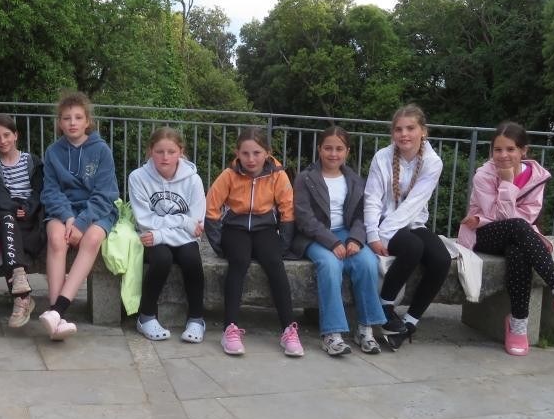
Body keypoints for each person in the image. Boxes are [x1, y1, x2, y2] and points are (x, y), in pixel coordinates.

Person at [458, 121, 554, 356]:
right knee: (517, 226)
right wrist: (506, 182)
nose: (503, 155)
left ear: (523, 151)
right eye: (497, 149)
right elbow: (498, 217)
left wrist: (506, 209)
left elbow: (528, 216)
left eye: (510, 149)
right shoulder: (484, 175)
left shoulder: (537, 177)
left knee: (519, 251)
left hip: (518, 235)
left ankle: (518, 323)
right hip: (482, 235)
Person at [205, 127, 304, 357]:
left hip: (265, 228)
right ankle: (230, 328)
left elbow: (287, 208)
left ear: (267, 153)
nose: (251, 159)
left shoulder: (278, 175)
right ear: (237, 153)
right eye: (245, 153)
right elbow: (211, 207)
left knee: (274, 262)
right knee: (239, 261)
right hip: (235, 228)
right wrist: (218, 244)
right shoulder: (229, 175)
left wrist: (283, 244)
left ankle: (289, 329)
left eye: (257, 153)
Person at [293, 126, 386, 356]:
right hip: (315, 235)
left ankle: (365, 329)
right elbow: (304, 218)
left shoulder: (354, 179)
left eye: (339, 149)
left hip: (346, 232)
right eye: (328, 148)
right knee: (330, 264)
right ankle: (332, 333)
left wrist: (356, 239)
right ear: (319, 149)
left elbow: (361, 215)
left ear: (347, 151)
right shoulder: (305, 178)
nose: (333, 154)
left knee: (367, 262)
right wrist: (332, 242)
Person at [364, 103, 451, 349]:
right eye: (398, 129)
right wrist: (374, 235)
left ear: (423, 131)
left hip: (412, 221)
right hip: (383, 221)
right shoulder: (382, 157)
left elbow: (414, 204)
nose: (404, 134)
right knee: (413, 247)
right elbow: (371, 198)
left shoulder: (432, 162)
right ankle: (384, 307)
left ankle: (410, 322)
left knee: (441, 259)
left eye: (410, 128)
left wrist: (386, 233)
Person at [39, 91, 119, 340]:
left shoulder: (101, 150)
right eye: (66, 118)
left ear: (87, 121)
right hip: (63, 210)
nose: (72, 122)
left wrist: (82, 222)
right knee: (56, 238)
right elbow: (50, 191)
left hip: (97, 210)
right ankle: (57, 317)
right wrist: (68, 217)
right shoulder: (53, 152)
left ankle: (57, 310)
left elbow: (105, 194)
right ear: (60, 123)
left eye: (78, 117)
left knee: (92, 239)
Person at [128, 127, 207, 343]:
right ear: (150, 151)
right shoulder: (138, 177)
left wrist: (161, 235)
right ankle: (146, 317)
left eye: (171, 152)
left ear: (181, 151)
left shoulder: (193, 180)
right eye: (159, 151)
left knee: (192, 259)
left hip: (165, 237)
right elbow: (145, 221)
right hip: (152, 235)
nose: (165, 157)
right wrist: (183, 221)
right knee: (162, 259)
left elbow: (196, 223)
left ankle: (196, 319)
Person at [0, 114, 46, 329]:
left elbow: (39, 190)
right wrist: (13, 208)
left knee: (7, 239)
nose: (2, 141)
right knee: (6, 223)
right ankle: (21, 293)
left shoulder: (31, 161)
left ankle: (22, 299)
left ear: (16, 135)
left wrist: (28, 208)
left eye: (6, 135)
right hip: (8, 212)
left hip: (30, 215)